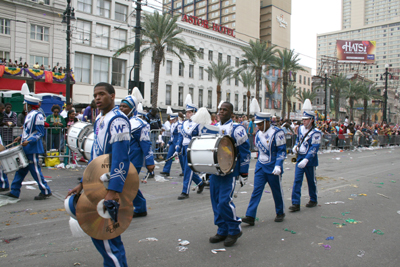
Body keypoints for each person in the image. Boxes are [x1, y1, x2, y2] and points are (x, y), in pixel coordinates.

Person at [66, 82, 131, 266]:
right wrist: (83, 183)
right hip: (97, 183)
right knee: (104, 238)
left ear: (112, 95)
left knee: (106, 239)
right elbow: (95, 157)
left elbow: (120, 159)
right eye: (95, 95)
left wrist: (113, 190)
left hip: (107, 185)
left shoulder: (117, 120)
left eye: (102, 94)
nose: (97, 98)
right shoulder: (101, 120)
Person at [208, 102, 250, 247]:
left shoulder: (237, 129)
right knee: (215, 201)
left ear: (231, 113)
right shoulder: (213, 127)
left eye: (224, 110)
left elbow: (245, 151)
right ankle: (222, 229)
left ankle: (234, 229)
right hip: (215, 171)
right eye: (220, 109)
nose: (221, 111)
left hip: (230, 171)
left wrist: (244, 172)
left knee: (224, 201)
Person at [3, 95, 52, 200]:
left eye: (25, 104)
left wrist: (29, 140)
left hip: (32, 148)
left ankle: (45, 190)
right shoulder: (30, 115)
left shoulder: (37, 115)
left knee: (35, 170)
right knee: (20, 170)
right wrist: (20, 137)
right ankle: (14, 191)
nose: (24, 106)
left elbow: (39, 133)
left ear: (28, 105)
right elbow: (28, 132)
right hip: (26, 147)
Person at [241, 112, 286, 226]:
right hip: (261, 166)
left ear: (267, 122)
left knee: (276, 191)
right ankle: (250, 215)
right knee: (256, 190)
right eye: (257, 124)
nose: (258, 127)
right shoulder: (258, 133)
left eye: (260, 124)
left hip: (273, 166)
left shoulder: (277, 132)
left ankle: (280, 212)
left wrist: (278, 165)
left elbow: (282, 151)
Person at [119, 92, 155, 218]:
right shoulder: (120, 121)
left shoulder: (140, 124)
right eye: (121, 106)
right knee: (126, 184)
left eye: (125, 106)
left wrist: (150, 162)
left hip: (134, 159)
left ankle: (140, 207)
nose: (121, 108)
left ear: (132, 109)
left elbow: (146, 143)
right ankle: (138, 207)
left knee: (128, 184)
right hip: (123, 159)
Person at [289, 102, 322, 212]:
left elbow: (314, 148)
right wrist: (295, 147)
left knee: (311, 181)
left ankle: (313, 199)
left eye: (306, 119)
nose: (304, 121)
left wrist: (307, 159)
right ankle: (295, 203)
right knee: (297, 180)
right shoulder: (300, 129)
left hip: (310, 160)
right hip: (300, 157)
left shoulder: (316, 133)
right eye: (303, 119)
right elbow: (299, 140)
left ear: (312, 120)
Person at [175, 96, 205, 199]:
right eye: (187, 112)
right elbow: (180, 137)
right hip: (184, 148)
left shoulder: (198, 125)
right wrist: (177, 149)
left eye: (190, 112)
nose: (187, 114)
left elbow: (201, 138)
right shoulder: (184, 123)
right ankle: (200, 183)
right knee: (186, 169)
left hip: (192, 148)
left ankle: (185, 192)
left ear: (194, 112)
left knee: (188, 171)